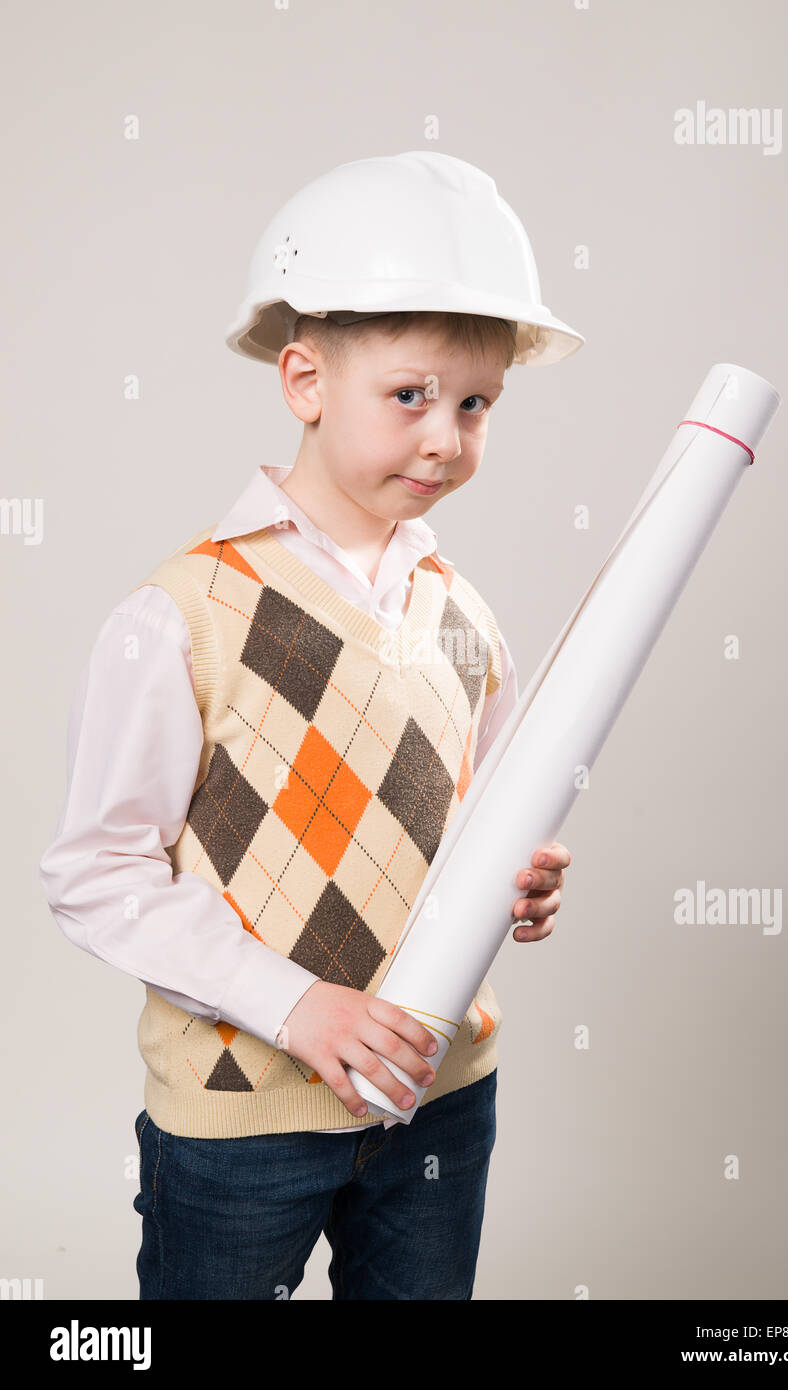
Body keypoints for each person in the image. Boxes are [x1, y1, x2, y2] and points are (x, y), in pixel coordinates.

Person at [38, 151, 582, 1300]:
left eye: (477, 403)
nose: (446, 437)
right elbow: (95, 872)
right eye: (410, 396)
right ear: (302, 381)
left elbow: (477, 820)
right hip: (243, 1120)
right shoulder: (181, 614)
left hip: (440, 1096)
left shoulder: (463, 616)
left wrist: (518, 874)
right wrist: (297, 1004)